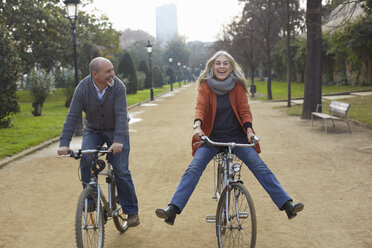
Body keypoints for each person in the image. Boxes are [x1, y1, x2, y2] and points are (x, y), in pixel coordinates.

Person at [155, 51, 303, 225]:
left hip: (237, 137)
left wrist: (249, 131)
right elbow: (200, 107)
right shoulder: (205, 85)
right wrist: (197, 126)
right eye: (218, 63)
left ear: (231, 66)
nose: (222, 66)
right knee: (193, 168)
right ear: (212, 66)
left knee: (260, 167)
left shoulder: (237, 86)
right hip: (211, 138)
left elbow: (244, 110)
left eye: (225, 63)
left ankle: (287, 205)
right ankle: (172, 210)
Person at [57, 57, 140, 227]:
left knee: (121, 170)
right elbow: (73, 116)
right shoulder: (83, 88)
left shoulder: (118, 86)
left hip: (116, 130)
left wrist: (118, 141)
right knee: (86, 161)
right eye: (108, 71)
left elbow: (121, 117)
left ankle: (131, 211)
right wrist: (64, 143)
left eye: (112, 69)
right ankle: (91, 200)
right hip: (93, 130)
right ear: (95, 74)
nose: (113, 74)